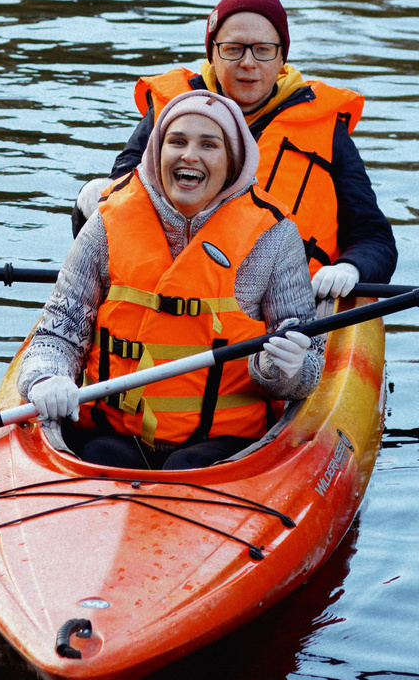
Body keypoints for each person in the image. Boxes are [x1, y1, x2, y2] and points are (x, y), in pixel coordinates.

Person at [22, 90, 321, 470]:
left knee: (187, 465)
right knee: (103, 457)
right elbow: (57, 331)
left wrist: (282, 370)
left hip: (222, 447)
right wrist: (47, 378)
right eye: (176, 142)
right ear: (157, 151)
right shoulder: (107, 221)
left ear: (232, 161)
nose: (189, 156)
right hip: (111, 434)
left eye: (208, 145)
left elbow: (309, 366)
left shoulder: (274, 236)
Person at [80, 0, 396, 302]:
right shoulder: (167, 113)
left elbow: (374, 239)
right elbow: (113, 206)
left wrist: (350, 269)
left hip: (290, 307)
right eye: (233, 49)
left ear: (281, 57)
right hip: (167, 300)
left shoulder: (328, 131)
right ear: (212, 54)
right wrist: (93, 196)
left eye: (263, 49)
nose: (248, 63)